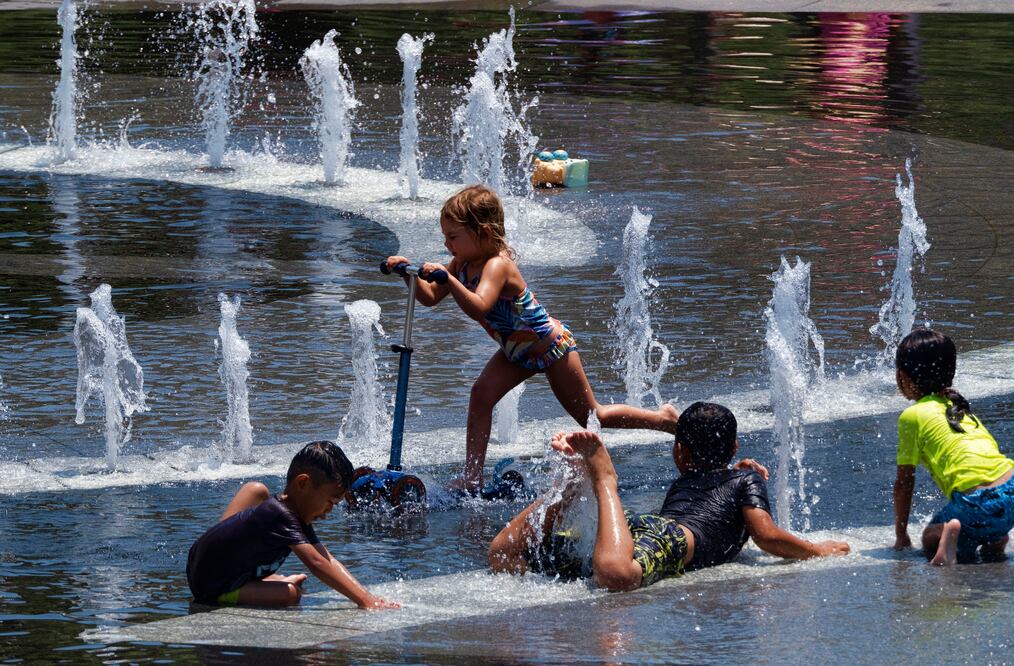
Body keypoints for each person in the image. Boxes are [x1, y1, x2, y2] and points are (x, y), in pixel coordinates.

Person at [385, 185, 678, 492]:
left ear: (483, 232)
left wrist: (450, 280)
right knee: (480, 395)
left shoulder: (497, 265)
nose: (446, 243)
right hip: (516, 352)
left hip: (550, 346)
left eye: (453, 236)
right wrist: (408, 274)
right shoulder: (461, 264)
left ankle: (662, 418)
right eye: (445, 236)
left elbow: (480, 306)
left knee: (593, 416)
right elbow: (430, 297)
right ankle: (472, 478)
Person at [488, 402, 849, 590]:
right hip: (670, 539)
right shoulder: (744, 481)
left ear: (679, 453)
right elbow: (766, 535)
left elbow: (722, 493)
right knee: (615, 576)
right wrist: (816, 549)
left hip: (636, 530)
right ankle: (603, 479)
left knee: (504, 556)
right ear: (735, 447)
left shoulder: (709, 479)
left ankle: (567, 490)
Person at [186, 441, 399, 609]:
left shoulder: (293, 514)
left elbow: (326, 557)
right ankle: (251, 586)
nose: (329, 510)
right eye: (330, 502)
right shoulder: (280, 515)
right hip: (211, 587)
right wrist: (365, 600)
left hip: (209, 566)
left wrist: (366, 594)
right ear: (303, 483)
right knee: (290, 594)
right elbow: (317, 563)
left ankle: (266, 579)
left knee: (255, 493)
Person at [891, 329, 1014, 565]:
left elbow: (904, 482)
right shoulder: (960, 408)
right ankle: (996, 538)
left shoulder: (911, 416)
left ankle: (949, 537)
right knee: (982, 521)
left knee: (929, 538)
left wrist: (901, 535)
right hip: (1011, 484)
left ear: (902, 377)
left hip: (978, 503)